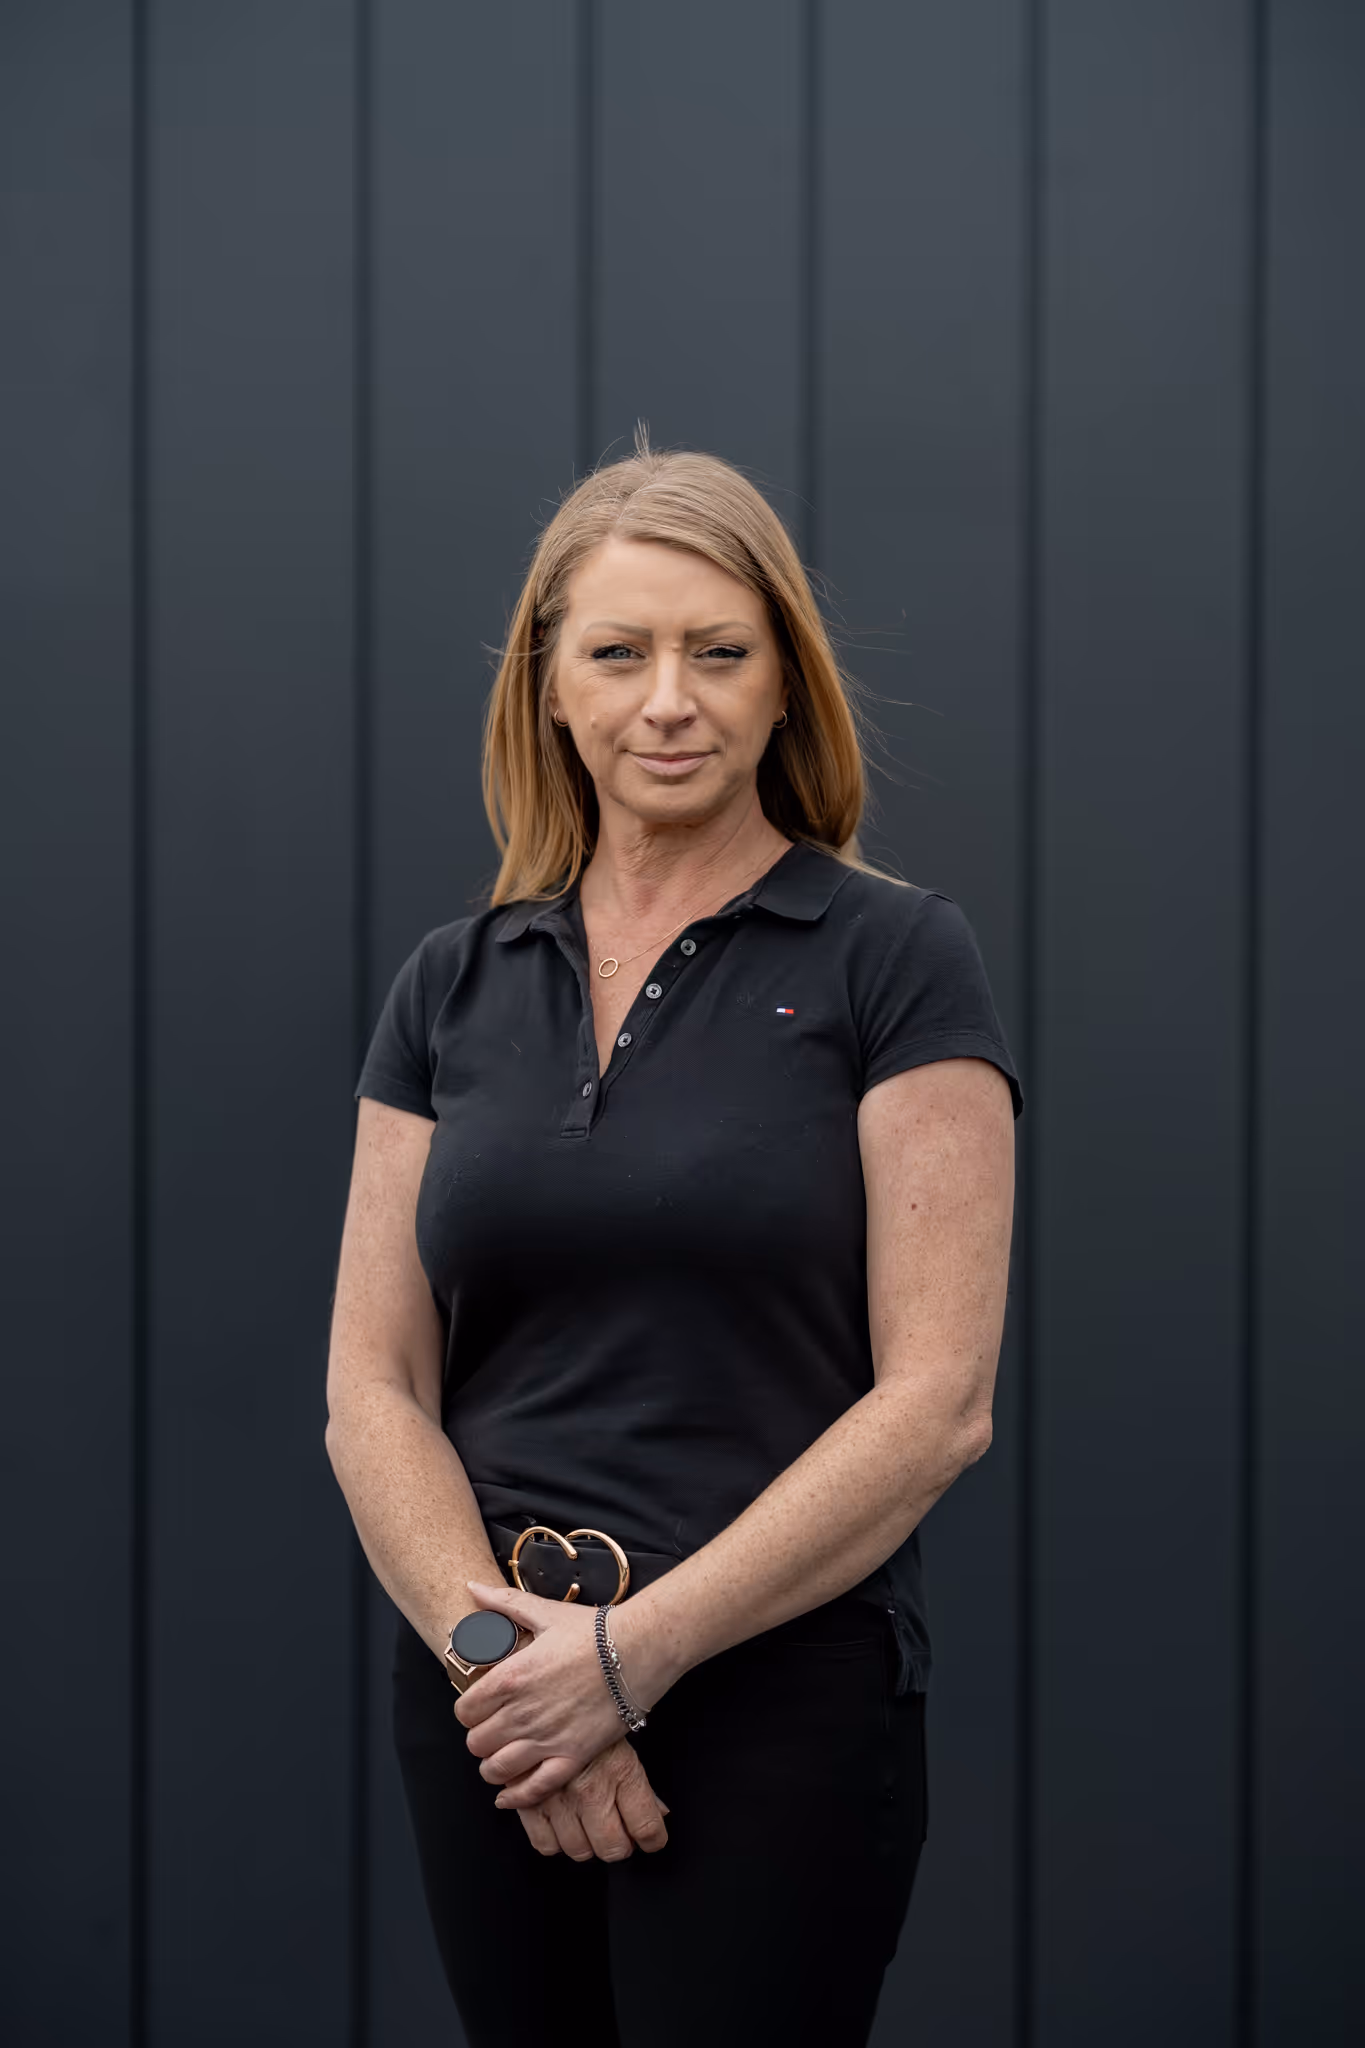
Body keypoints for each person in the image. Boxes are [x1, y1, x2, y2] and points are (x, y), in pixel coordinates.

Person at [325, 434, 1022, 2048]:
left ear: (786, 684)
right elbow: (372, 1384)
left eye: (720, 652)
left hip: (777, 1699)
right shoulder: (453, 983)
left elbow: (940, 1404)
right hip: (488, 1698)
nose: (669, 699)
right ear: (551, 691)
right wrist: (510, 1666)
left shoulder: (896, 959)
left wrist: (628, 1662)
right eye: (618, 653)